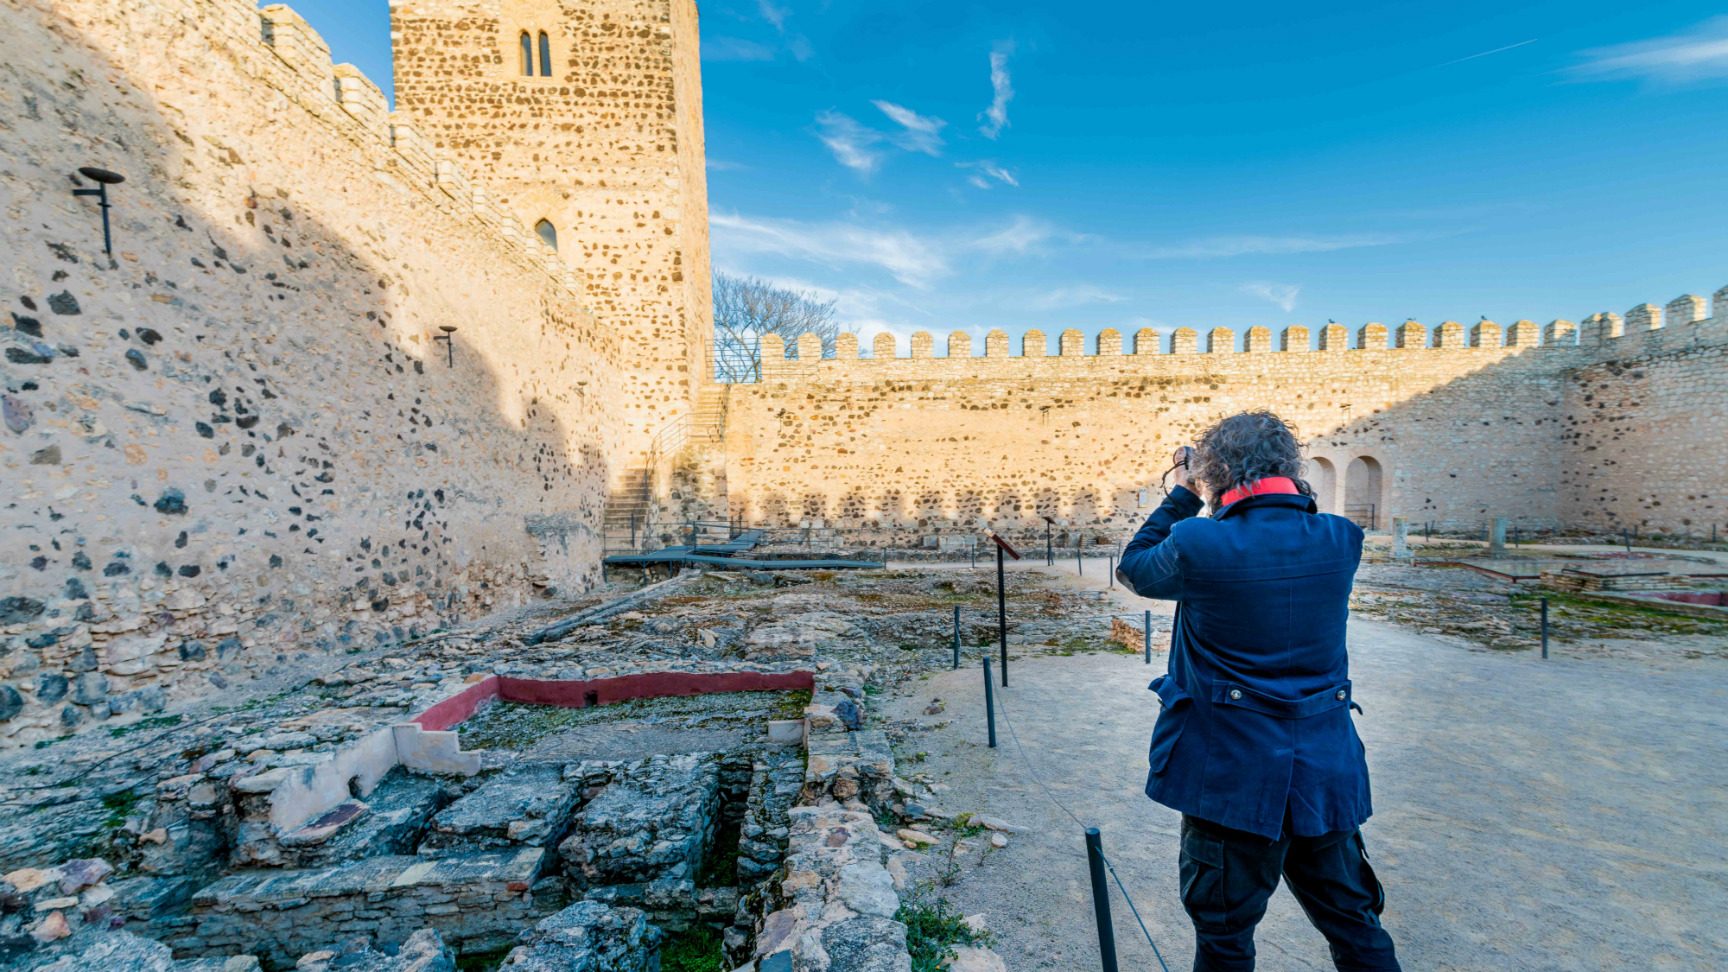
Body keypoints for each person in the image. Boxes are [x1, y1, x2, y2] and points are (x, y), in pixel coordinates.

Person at [1116, 410, 1401, 972]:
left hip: (1230, 776)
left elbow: (1134, 569)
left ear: (1214, 471)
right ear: (1291, 468)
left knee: (1224, 940)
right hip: (1324, 772)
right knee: (1354, 925)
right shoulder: (1342, 539)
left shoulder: (1198, 542)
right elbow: (1295, 528)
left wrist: (1183, 493)